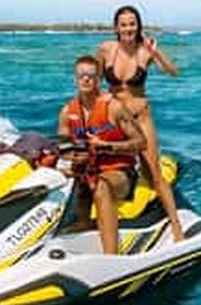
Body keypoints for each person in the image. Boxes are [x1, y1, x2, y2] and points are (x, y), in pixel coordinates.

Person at [96, 5, 183, 241]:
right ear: (116, 27)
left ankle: (176, 226)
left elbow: (174, 72)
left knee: (153, 171)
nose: (128, 28)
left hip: (141, 117)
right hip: (115, 118)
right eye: (123, 24)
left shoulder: (146, 50)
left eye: (132, 23)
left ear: (138, 25)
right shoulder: (106, 49)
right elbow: (94, 79)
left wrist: (157, 54)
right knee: (98, 166)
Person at [57, 55, 146, 254]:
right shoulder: (66, 112)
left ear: (99, 79)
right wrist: (71, 158)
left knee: (101, 186)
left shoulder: (114, 108)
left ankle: (111, 256)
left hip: (120, 173)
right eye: (82, 75)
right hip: (86, 172)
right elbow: (63, 150)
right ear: (75, 79)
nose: (86, 79)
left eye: (92, 75)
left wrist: (107, 146)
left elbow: (141, 142)